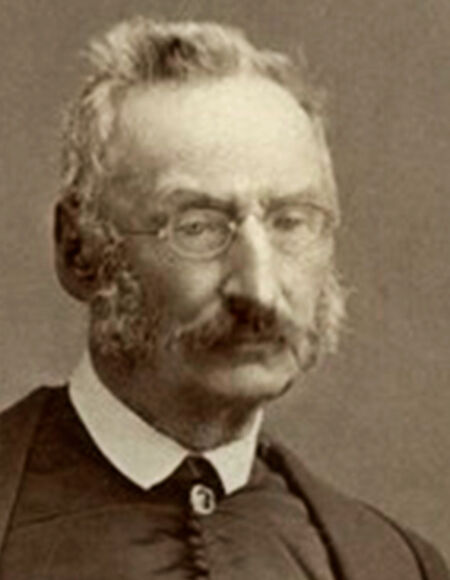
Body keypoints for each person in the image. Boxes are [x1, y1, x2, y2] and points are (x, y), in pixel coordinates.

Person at [0, 16, 447, 580]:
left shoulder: (396, 564)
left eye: (291, 221)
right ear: (79, 250)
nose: (258, 290)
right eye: (197, 227)